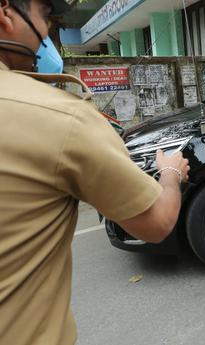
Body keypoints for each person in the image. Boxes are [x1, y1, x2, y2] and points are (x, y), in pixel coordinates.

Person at [0, 1, 190, 344]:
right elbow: (157, 222)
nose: (48, 34)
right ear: (5, 12)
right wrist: (170, 174)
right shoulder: (61, 117)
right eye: (45, 17)